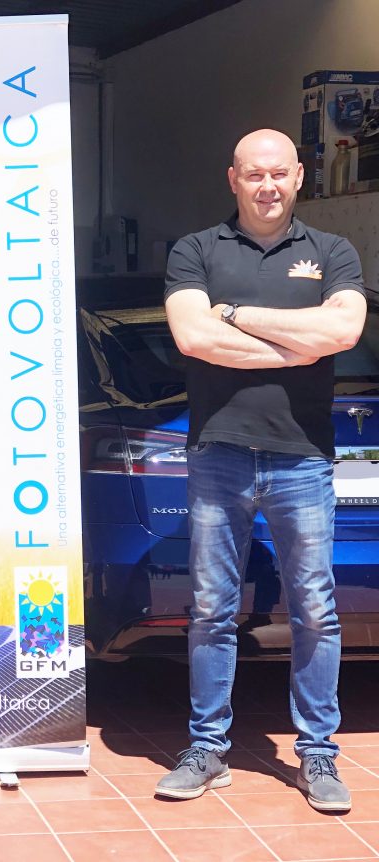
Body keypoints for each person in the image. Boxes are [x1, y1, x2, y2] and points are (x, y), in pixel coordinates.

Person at [155, 129, 366, 812]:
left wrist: (240, 316)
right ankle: (208, 749)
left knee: (315, 610)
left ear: (300, 176)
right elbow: (194, 336)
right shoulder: (195, 251)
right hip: (218, 452)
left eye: (279, 173)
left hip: (303, 458)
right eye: (254, 175)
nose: (267, 186)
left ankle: (318, 758)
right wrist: (294, 343)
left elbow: (342, 333)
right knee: (213, 611)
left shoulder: (333, 252)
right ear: (233, 179)